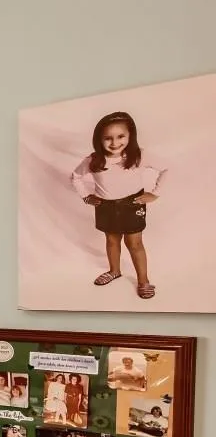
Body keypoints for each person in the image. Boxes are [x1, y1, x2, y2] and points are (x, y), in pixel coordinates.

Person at [69, 111, 165, 300]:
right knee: (112, 241)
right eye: (108, 138)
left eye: (121, 136)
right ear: (99, 139)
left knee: (134, 243)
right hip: (105, 206)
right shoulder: (93, 160)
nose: (115, 143)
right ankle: (114, 271)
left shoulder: (139, 156)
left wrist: (155, 193)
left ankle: (144, 280)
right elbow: (76, 177)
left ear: (130, 135)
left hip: (132, 203)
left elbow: (167, 168)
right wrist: (86, 197)